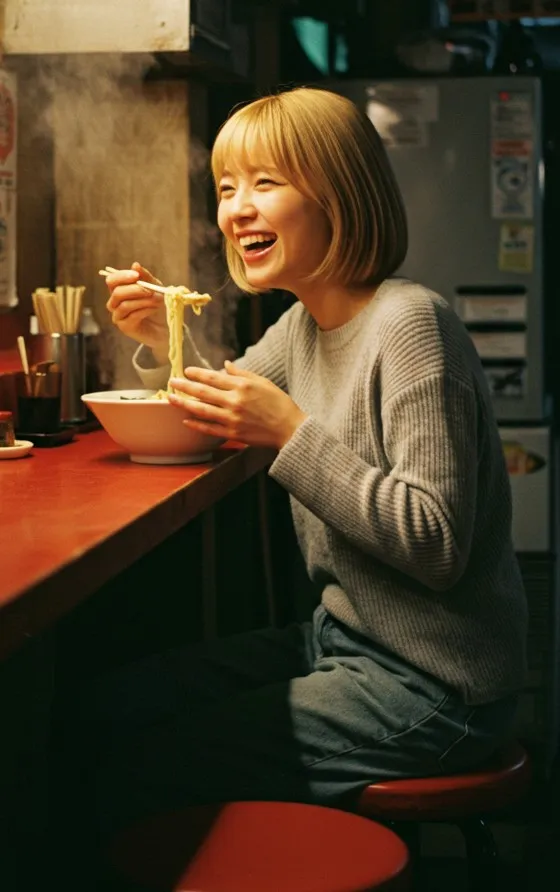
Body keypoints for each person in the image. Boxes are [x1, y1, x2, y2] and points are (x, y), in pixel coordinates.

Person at [96, 86, 527, 837]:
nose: (237, 209)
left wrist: (291, 433)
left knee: (146, 761)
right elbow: (225, 396)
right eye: (227, 188)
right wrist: (163, 342)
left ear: (341, 196)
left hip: (441, 686)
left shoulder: (411, 325)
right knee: (112, 705)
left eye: (266, 183)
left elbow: (438, 546)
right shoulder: (302, 327)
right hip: (345, 642)